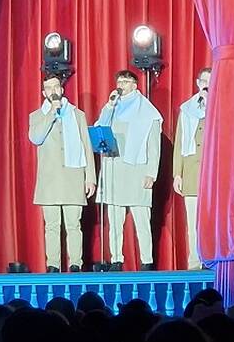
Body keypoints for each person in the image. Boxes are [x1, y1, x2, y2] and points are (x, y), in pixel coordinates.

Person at [29, 75, 96, 273]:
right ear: (44, 93)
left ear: (62, 89)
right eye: (48, 88)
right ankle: (53, 265)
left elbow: (86, 146)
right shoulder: (37, 115)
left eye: (56, 87)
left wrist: (90, 177)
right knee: (51, 225)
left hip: (73, 176)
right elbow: (36, 138)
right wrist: (51, 113)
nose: (53, 91)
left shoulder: (77, 114)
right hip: (49, 179)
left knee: (74, 224)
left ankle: (76, 263)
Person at [95, 70, 162, 270]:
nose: (121, 85)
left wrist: (151, 173)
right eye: (119, 81)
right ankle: (116, 258)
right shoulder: (113, 107)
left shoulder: (148, 111)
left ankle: (146, 261)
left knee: (141, 220)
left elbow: (154, 146)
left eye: (125, 82)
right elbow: (100, 128)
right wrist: (109, 105)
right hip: (114, 168)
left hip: (137, 170)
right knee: (114, 220)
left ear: (134, 85)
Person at [173, 67, 210, 270]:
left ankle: (213, 259)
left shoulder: (222, 106)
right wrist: (177, 173)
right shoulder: (187, 109)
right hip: (191, 173)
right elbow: (180, 143)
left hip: (213, 174)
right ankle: (195, 262)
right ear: (198, 83)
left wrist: (210, 103)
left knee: (212, 221)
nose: (207, 85)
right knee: (193, 222)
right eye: (204, 81)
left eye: (211, 81)